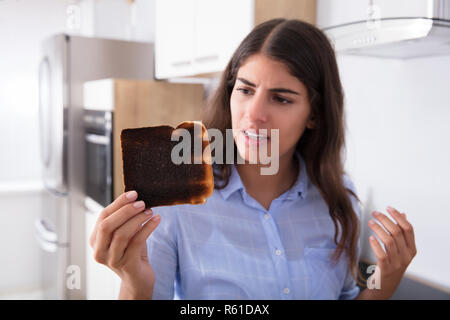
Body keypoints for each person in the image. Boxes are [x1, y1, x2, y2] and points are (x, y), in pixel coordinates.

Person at [89, 19, 417, 300]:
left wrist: (383, 283)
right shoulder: (178, 200)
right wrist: (134, 285)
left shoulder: (339, 197)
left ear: (314, 115)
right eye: (245, 90)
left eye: (281, 98)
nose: (254, 114)